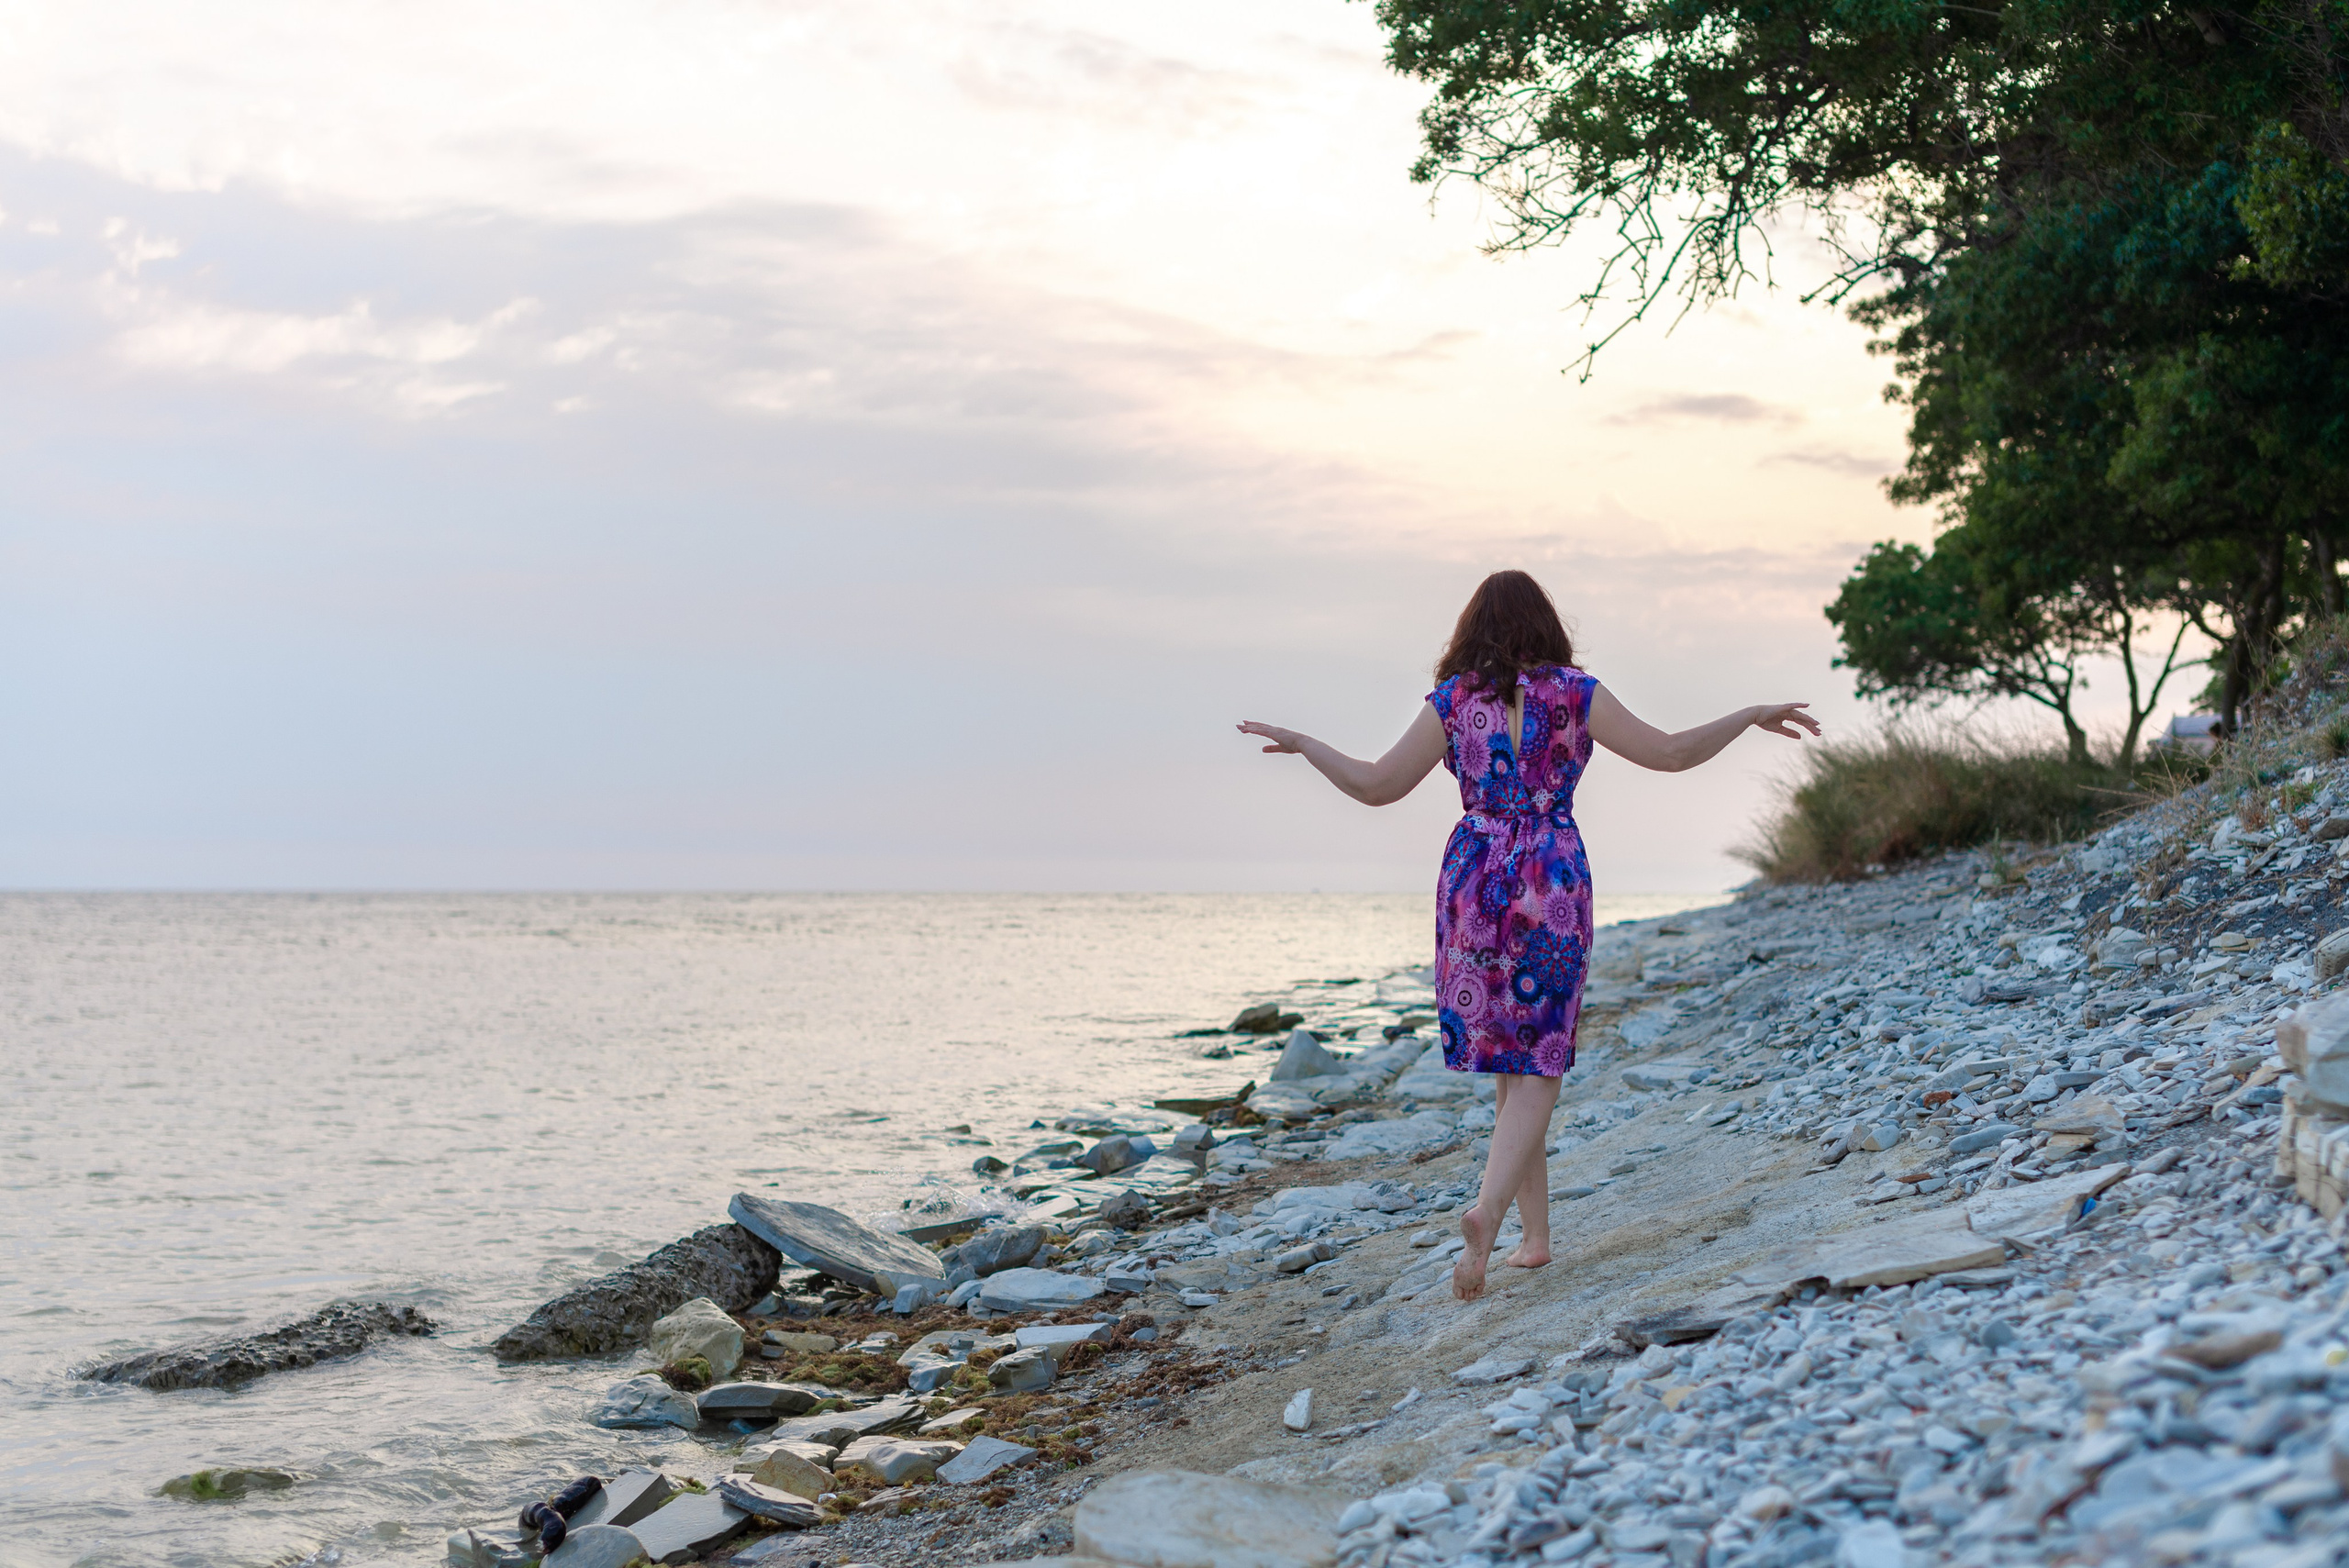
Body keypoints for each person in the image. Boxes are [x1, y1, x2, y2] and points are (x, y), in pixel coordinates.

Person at [1236, 570, 1819, 1301]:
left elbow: (1377, 784)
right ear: (1547, 624)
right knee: (1540, 1058)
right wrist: (1747, 714)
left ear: (1469, 630)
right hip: (1550, 876)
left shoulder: (1453, 702)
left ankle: (1534, 1240)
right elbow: (1670, 752)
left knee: (1514, 1059)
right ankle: (1488, 1211)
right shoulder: (1574, 691)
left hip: (1474, 877)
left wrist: (1304, 742)